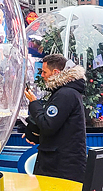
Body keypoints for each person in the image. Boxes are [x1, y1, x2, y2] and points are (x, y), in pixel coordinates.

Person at [23, 54, 88, 182]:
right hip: (60, 164)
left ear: (56, 72)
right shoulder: (66, 92)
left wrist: (34, 103)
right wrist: (34, 132)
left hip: (61, 168)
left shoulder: (65, 94)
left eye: (44, 72)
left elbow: (48, 125)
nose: (42, 75)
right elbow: (59, 127)